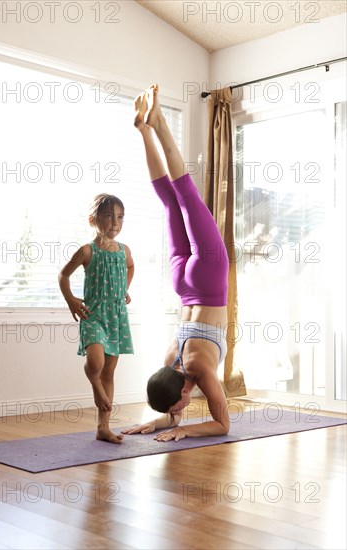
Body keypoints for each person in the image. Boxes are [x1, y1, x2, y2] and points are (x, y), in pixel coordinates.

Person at [122, 84, 230, 443]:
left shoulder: (198, 369)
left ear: (183, 392)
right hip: (182, 285)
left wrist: (183, 431)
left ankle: (160, 122)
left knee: (184, 194)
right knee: (172, 202)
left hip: (209, 281)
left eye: (178, 405)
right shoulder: (169, 363)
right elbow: (173, 412)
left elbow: (222, 424)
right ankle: (143, 130)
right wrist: (155, 424)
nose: (180, 409)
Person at [58, 193, 134, 444]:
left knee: (109, 370)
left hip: (117, 317)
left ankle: (103, 426)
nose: (115, 223)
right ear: (93, 219)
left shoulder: (124, 251)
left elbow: (131, 267)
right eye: (109, 216)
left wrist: (125, 289)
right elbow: (63, 275)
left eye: (120, 217)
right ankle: (96, 386)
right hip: (94, 315)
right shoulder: (87, 251)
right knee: (95, 363)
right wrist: (71, 299)